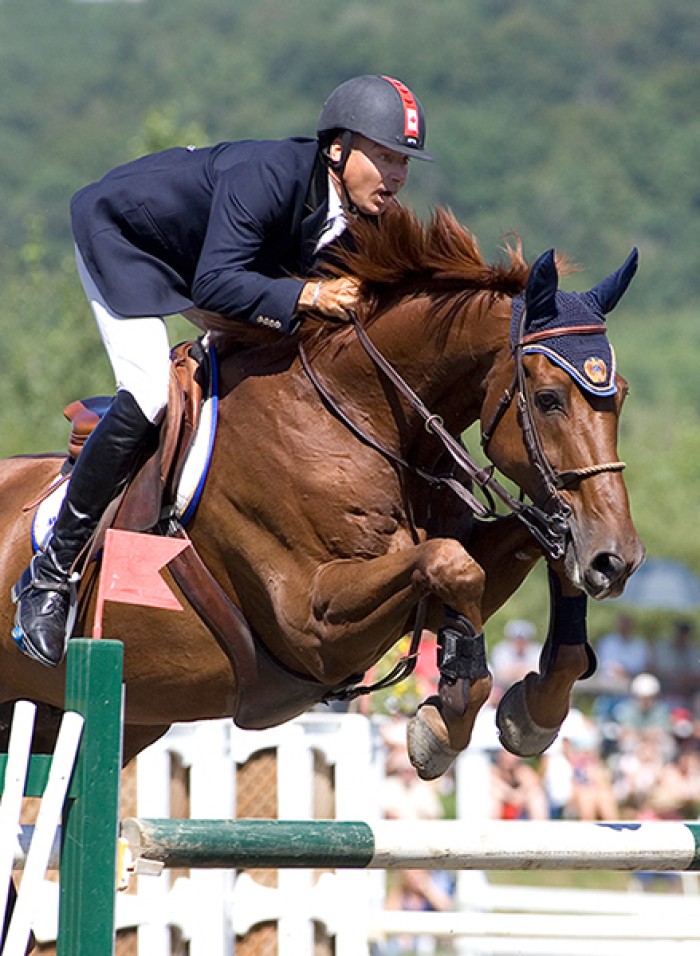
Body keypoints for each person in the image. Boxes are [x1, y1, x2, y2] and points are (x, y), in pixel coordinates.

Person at [11, 74, 433, 667]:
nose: (395, 176)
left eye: (403, 163)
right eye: (384, 157)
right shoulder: (270, 176)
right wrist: (310, 297)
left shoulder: (366, 215)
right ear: (338, 149)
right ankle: (49, 576)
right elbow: (214, 283)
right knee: (152, 393)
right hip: (127, 241)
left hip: (212, 262)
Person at [490, 619, 542, 691]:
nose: (519, 643)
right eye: (516, 639)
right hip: (505, 690)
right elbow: (501, 674)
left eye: (522, 640)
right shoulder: (501, 650)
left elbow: (539, 674)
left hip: (531, 690)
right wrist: (525, 670)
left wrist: (514, 670)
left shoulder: (537, 650)